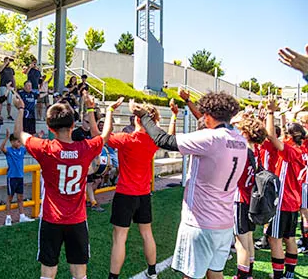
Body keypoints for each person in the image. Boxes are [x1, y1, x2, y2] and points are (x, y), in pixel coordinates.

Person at [130, 91, 247, 279]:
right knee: (216, 273)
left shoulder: (211, 138)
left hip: (201, 223)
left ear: (208, 116)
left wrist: (143, 115)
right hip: (224, 222)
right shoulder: (240, 140)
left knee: (191, 276)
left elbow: (163, 140)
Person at [13, 88, 123, 279]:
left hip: (51, 219)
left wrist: (21, 108)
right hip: (77, 220)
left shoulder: (45, 148)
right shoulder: (85, 148)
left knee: (48, 271)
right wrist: (94, 109)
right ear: (73, 125)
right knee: (79, 273)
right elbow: (104, 136)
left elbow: (18, 133)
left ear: (49, 126)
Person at [107, 107, 159, 279]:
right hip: (143, 194)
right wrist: (173, 116)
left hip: (125, 194)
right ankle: (152, 271)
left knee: (120, 238)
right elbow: (167, 137)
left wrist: (105, 111)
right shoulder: (153, 140)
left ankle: (113, 277)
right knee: (147, 233)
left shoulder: (126, 139)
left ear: (137, 120)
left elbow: (100, 135)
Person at [265, 97, 306, 279]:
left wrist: (271, 112)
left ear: (289, 137)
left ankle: (278, 275)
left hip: (282, 201)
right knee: (289, 238)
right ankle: (289, 274)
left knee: (275, 239)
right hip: (293, 200)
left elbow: (271, 136)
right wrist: (291, 114)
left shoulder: (289, 150)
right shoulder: (301, 149)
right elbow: (280, 137)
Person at [232, 118, 267, 279]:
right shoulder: (257, 151)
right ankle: (249, 272)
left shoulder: (242, 151)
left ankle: (242, 275)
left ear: (245, 133)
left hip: (240, 199)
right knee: (249, 238)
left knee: (241, 243)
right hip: (251, 199)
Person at [0, 128, 34, 226]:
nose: (19, 143)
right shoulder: (9, 151)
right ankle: (8, 217)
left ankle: (22, 216)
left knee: (20, 198)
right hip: (12, 177)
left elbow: (30, 147)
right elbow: (1, 148)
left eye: (20, 141)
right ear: (12, 142)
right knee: (9, 198)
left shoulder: (22, 150)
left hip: (20, 177)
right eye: (17, 141)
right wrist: (6, 138)